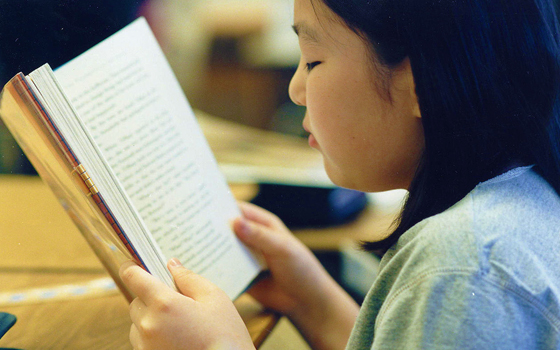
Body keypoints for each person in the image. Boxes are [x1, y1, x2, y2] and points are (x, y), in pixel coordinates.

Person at [118, 0, 560, 348]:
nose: (295, 89)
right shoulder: (516, 204)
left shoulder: (463, 267)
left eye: (312, 61)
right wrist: (313, 304)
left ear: (422, 82)